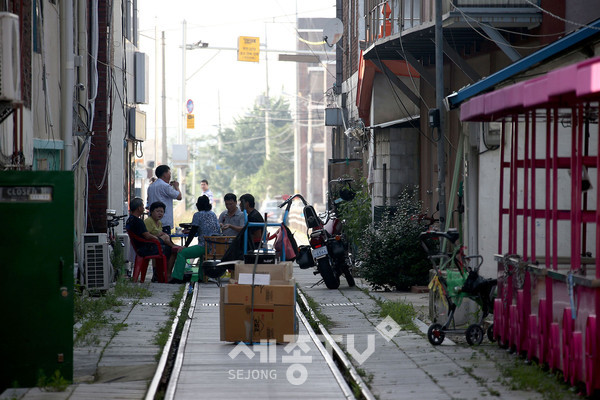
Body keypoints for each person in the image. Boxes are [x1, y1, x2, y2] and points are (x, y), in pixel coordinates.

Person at [170, 195, 221, 283]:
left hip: (204, 245)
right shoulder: (213, 214)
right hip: (214, 246)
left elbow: (193, 232)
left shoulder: (198, 215)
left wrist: (185, 246)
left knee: (182, 253)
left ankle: (177, 277)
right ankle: (201, 277)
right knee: (203, 256)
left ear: (198, 205)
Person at [126, 197, 177, 282]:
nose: (144, 208)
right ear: (139, 208)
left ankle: (161, 275)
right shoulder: (139, 221)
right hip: (145, 248)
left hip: (139, 247)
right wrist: (157, 238)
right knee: (170, 249)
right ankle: (164, 276)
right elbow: (147, 236)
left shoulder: (129, 220)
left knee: (166, 242)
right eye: (142, 206)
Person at [145, 201, 182, 280]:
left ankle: (167, 274)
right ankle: (161, 274)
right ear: (151, 212)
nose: (160, 214)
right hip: (150, 245)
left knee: (172, 251)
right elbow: (146, 235)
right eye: (157, 211)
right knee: (166, 238)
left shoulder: (160, 223)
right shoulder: (148, 221)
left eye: (162, 212)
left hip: (158, 244)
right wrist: (158, 235)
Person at [147, 165, 182, 234]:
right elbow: (179, 196)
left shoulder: (151, 186)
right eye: (169, 173)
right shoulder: (165, 186)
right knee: (165, 241)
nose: (170, 176)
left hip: (153, 221)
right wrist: (176, 187)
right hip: (164, 221)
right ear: (165, 174)